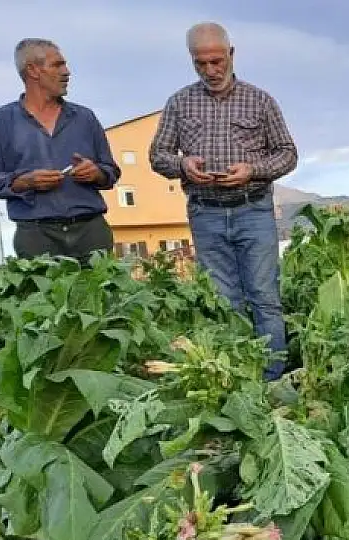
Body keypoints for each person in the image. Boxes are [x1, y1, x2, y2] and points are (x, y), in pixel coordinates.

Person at [149, 22, 296, 381]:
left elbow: (288, 154)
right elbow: (157, 155)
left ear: (231, 54)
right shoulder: (179, 103)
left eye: (217, 61)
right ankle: (239, 379)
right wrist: (183, 165)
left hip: (253, 208)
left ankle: (273, 381)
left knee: (264, 298)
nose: (211, 70)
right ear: (191, 60)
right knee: (223, 301)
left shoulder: (260, 100)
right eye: (201, 64)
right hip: (206, 213)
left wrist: (253, 170)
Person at [0, 38, 120, 261]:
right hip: (36, 236)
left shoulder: (85, 118)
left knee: (102, 296)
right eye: (57, 65)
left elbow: (110, 173)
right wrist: (26, 182)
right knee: (42, 297)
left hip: (91, 231)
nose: (67, 72)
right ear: (33, 70)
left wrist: (96, 172)